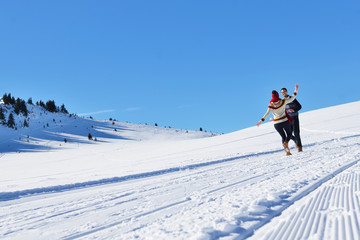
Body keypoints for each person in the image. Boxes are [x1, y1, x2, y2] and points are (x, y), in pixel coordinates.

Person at [256, 84, 299, 156]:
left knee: (283, 136)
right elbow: (293, 98)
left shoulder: (270, 105)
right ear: (278, 95)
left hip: (276, 124)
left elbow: (267, 114)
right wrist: (296, 90)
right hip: (284, 121)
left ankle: (287, 151)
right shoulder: (283, 101)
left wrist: (260, 121)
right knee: (289, 134)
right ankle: (286, 143)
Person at [281, 87, 303, 152]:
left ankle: (299, 147)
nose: (284, 93)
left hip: (294, 117)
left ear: (287, 92)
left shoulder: (292, 98)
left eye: (284, 92)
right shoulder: (282, 101)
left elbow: (299, 106)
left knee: (296, 133)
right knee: (288, 134)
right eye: (282, 92)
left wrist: (294, 110)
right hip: (287, 119)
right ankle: (295, 140)